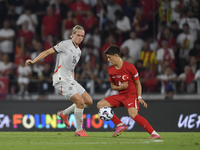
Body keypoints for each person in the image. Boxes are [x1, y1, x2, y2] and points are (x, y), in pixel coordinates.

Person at [25, 25, 93, 137]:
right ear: (73, 34)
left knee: (88, 101)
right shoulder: (65, 44)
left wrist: (73, 80)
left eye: (82, 36)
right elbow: (47, 52)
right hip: (60, 79)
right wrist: (34, 60)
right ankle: (79, 130)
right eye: (78, 35)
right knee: (80, 102)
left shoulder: (79, 51)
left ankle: (64, 114)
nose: (80, 38)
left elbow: (72, 68)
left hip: (70, 80)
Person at [97, 45, 161, 139]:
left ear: (116, 56)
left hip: (131, 95)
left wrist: (139, 97)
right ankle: (120, 125)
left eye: (110, 57)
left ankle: (154, 133)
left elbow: (138, 83)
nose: (108, 60)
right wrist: (120, 87)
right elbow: (112, 86)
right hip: (120, 95)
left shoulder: (130, 67)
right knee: (100, 105)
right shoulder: (110, 69)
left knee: (133, 114)